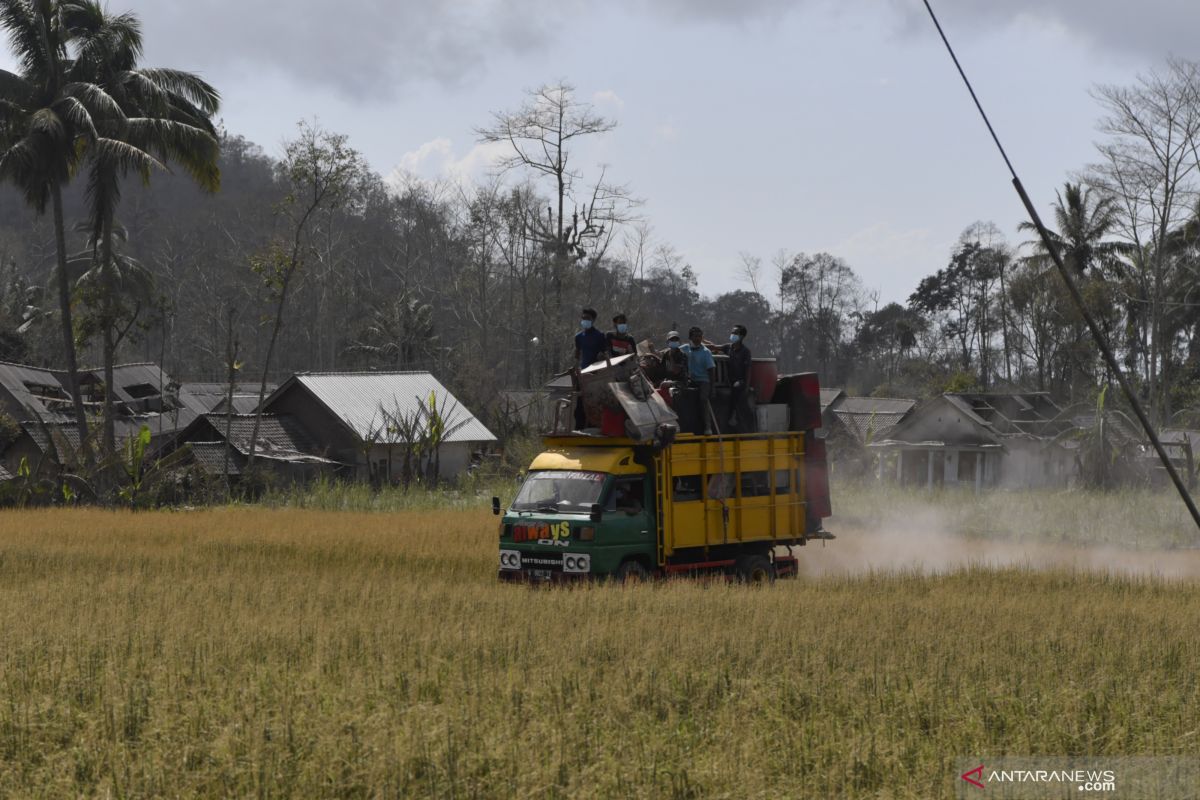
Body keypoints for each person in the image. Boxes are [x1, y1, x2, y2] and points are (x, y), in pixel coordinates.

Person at [712, 324, 753, 431]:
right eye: (732, 332)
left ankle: (733, 414)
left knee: (736, 388)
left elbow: (748, 370)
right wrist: (701, 342)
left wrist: (747, 387)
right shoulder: (728, 347)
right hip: (729, 380)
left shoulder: (745, 351)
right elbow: (714, 347)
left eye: (735, 333)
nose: (732, 335)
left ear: (742, 336)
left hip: (740, 381)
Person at [574, 308, 607, 429]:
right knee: (580, 401)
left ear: (593, 320)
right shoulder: (578, 337)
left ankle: (596, 425)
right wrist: (575, 368)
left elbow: (604, 354)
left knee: (595, 400)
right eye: (583, 318)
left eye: (587, 319)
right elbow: (577, 354)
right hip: (583, 373)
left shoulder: (599, 336)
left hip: (596, 374)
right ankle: (579, 426)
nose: (585, 321)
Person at [680, 326, 716, 435]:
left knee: (703, 399)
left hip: (703, 380)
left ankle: (708, 427)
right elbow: (670, 351)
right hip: (690, 379)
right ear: (690, 337)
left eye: (700, 336)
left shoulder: (706, 352)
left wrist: (712, 388)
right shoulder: (685, 348)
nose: (698, 338)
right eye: (695, 336)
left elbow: (711, 370)